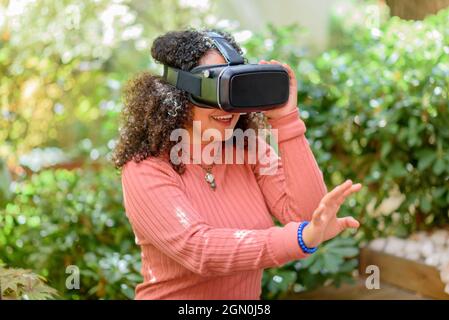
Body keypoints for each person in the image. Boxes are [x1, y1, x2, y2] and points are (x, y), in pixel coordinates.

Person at [112, 29, 362, 299]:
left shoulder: (247, 149)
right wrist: (300, 238)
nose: (227, 109)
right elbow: (200, 250)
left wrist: (286, 119)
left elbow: (308, 218)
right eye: (213, 89)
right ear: (177, 95)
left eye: (233, 89)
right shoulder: (146, 168)